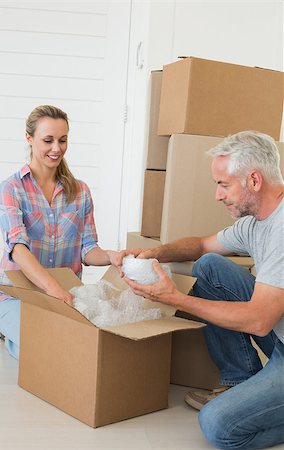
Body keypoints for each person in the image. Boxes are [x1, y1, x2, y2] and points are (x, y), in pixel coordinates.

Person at [119, 131, 284, 450]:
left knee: (217, 425)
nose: (218, 195)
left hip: (271, 324)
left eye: (223, 184)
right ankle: (241, 381)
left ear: (253, 180)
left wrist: (174, 298)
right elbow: (202, 245)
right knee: (209, 265)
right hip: (280, 332)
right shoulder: (256, 222)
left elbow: (259, 321)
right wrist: (155, 253)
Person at [0, 105, 120, 360]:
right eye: (47, 140)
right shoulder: (11, 188)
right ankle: (11, 334)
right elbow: (17, 249)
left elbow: (88, 249)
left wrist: (113, 256)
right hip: (16, 296)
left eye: (63, 140)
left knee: (80, 346)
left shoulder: (80, 191)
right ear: (29, 139)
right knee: (47, 350)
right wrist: (52, 287)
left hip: (63, 297)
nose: (56, 148)